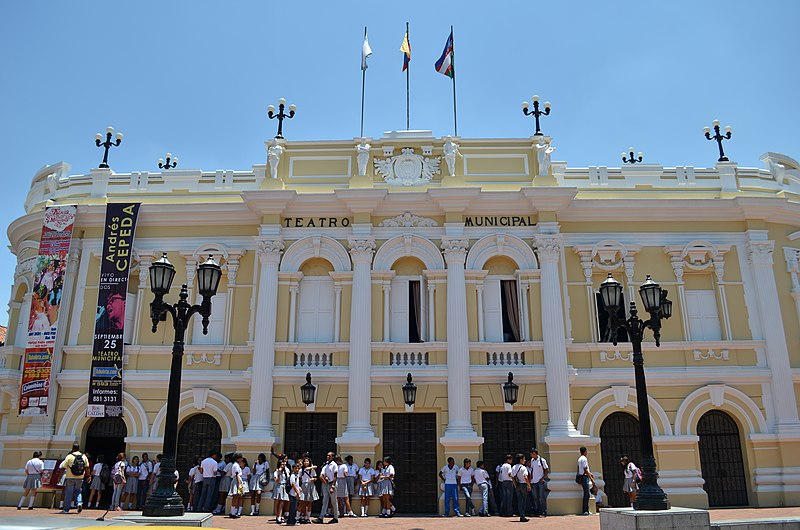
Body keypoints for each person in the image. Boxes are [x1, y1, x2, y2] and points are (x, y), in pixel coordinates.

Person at [60, 443, 89, 514]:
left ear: (72, 448)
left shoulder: (69, 456)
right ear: (79, 448)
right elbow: (87, 467)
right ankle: (79, 503)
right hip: (80, 477)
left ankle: (66, 509)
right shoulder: (84, 456)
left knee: (69, 493)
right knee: (78, 491)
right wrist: (89, 476)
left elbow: (63, 467)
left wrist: (59, 477)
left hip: (70, 477)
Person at [315, 451, 339, 524]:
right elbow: (321, 475)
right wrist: (325, 481)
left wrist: (332, 486)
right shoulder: (326, 465)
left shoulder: (334, 465)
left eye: (329, 456)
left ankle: (335, 517)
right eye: (327, 455)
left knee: (333, 501)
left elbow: (335, 477)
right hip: (326, 484)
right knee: (325, 500)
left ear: (332, 457)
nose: (327, 457)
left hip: (332, 484)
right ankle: (321, 517)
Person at [529, 449, 549, 517]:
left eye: (531, 454)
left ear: (534, 453)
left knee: (541, 497)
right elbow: (532, 469)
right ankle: (537, 511)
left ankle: (543, 512)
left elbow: (546, 469)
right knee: (535, 497)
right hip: (534, 481)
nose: (531, 455)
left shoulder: (542, 460)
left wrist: (543, 478)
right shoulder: (532, 460)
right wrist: (531, 478)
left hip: (540, 481)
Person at [298, 456, 318, 524]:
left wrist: (314, 479)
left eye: (307, 461)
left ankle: (308, 517)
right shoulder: (301, 470)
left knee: (309, 503)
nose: (306, 462)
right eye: (305, 461)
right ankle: (299, 516)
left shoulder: (312, 470)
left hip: (310, 485)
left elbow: (315, 477)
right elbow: (299, 478)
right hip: (304, 485)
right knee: (302, 502)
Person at [511, 453, 530, 523]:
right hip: (523, 485)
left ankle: (521, 515)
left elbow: (512, 476)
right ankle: (522, 516)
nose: (524, 460)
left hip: (518, 485)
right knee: (524, 501)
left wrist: (515, 484)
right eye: (524, 459)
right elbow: (525, 477)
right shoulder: (523, 468)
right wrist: (529, 485)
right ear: (521, 460)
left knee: (519, 501)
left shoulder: (513, 467)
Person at [227, 453, 246, 518]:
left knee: (237, 496)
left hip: (237, 480)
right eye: (240, 458)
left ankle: (233, 512)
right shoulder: (236, 465)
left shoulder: (237, 465)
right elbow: (237, 474)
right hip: (236, 480)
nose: (241, 459)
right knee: (235, 496)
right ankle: (233, 512)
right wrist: (240, 484)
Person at [273, 455, 291, 523]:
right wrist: (279, 473)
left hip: (284, 486)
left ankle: (280, 516)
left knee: (282, 502)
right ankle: (277, 516)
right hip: (278, 486)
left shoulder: (286, 470)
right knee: (277, 502)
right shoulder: (276, 471)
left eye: (284, 464)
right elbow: (277, 480)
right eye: (281, 464)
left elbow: (288, 478)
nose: (283, 465)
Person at [577, 446, 594, 516]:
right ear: (585, 451)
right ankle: (585, 510)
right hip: (585, 477)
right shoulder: (584, 459)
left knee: (586, 494)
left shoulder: (580, 459)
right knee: (586, 494)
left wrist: (590, 474)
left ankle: (586, 510)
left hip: (582, 477)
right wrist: (591, 479)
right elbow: (585, 469)